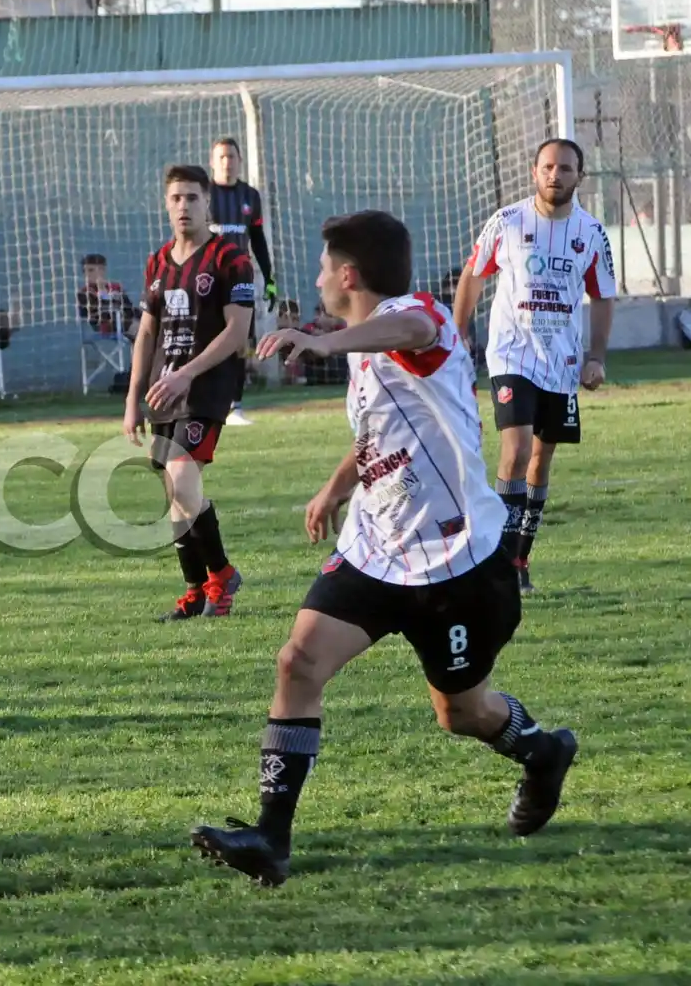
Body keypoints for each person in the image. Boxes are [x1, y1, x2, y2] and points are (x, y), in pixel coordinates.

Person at [192, 210, 578, 888]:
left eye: (321, 268)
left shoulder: (412, 313)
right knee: (298, 660)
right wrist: (336, 486)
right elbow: (380, 428)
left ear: (348, 276)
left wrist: (324, 341)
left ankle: (543, 750)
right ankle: (270, 838)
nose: (316, 280)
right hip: (376, 548)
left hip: (457, 561)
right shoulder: (367, 342)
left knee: (462, 712)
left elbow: (417, 331)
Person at [451, 138, 617, 593]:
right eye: (547, 166)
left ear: (579, 176)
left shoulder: (591, 234)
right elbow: (475, 274)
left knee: (540, 463)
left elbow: (603, 296)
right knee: (516, 451)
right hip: (511, 354)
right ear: (533, 171)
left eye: (565, 168)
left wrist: (596, 356)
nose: (554, 175)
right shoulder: (507, 222)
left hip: (562, 361)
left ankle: (521, 557)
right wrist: (456, 332)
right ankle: (499, 561)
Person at [123, 164, 255, 622]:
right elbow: (146, 334)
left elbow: (238, 331)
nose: (184, 206)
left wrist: (187, 374)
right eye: (176, 198)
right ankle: (197, 591)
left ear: (207, 203)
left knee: (183, 477)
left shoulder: (231, 258)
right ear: (166, 204)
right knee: (174, 492)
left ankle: (222, 572)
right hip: (164, 389)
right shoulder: (157, 262)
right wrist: (131, 398)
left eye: (192, 198)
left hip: (207, 386)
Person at [208, 137, 278, 426]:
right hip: (208, 279)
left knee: (238, 342)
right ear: (213, 161)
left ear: (239, 160)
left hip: (240, 279)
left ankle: (234, 406)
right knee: (205, 341)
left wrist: (270, 279)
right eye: (222, 157)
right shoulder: (202, 193)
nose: (227, 162)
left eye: (232, 156)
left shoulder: (250, 196)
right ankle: (205, 401)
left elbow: (258, 240)